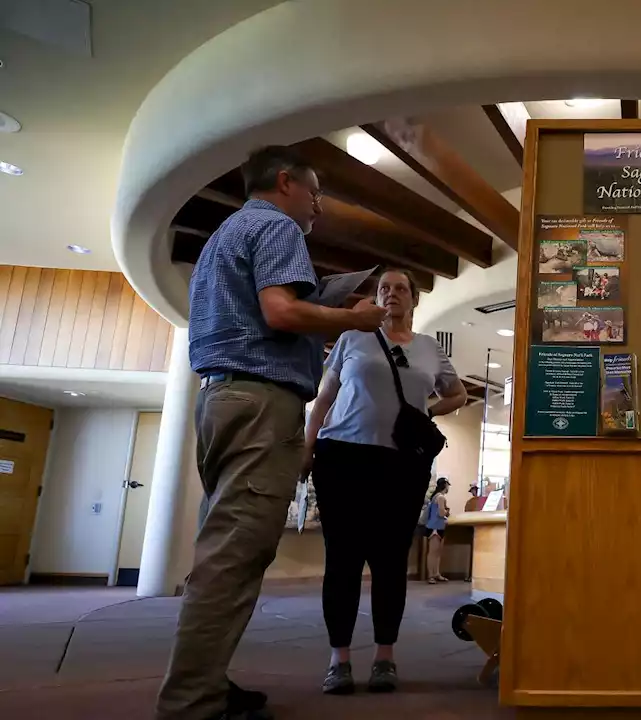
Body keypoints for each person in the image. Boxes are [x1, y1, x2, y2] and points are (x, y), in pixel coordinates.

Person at [159, 146, 388, 720]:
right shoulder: (277, 225)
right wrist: (350, 319)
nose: (317, 205)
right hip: (262, 403)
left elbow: (268, 312)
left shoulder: (226, 234)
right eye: (313, 191)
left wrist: (324, 302)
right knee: (234, 557)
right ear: (284, 183)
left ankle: (205, 680)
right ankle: (191, 701)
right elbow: (281, 313)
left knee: (223, 547)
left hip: (221, 400)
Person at [304, 268, 468, 695]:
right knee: (342, 560)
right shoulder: (352, 337)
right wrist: (306, 447)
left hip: (401, 464)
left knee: (391, 562)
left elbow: (458, 394)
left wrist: (424, 415)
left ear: (414, 299)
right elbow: (325, 397)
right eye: (384, 289)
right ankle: (338, 659)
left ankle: (384, 658)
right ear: (376, 298)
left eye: (400, 289)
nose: (391, 294)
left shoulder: (432, 350)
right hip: (342, 455)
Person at [423, 478, 451, 584]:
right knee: (433, 553)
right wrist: (447, 512)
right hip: (435, 527)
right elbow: (441, 513)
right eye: (448, 485)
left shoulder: (435, 496)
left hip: (437, 527)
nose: (449, 488)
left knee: (437, 552)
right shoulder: (440, 497)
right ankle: (431, 575)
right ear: (445, 485)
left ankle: (436, 573)